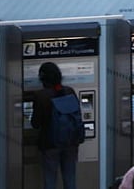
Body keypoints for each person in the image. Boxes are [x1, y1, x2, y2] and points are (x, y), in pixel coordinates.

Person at [31, 61, 80, 189]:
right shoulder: (69, 91)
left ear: (42, 78)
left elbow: (35, 124)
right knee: (70, 179)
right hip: (71, 142)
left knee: (50, 180)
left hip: (50, 144)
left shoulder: (40, 95)